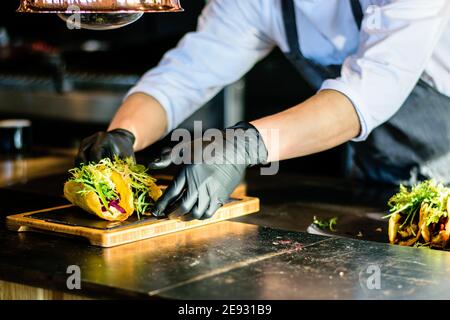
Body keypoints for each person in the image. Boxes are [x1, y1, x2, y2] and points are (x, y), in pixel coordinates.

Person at [76, 0, 450, 219]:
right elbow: (185, 73)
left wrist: (244, 145)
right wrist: (125, 133)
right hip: (375, 176)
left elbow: (371, 91)